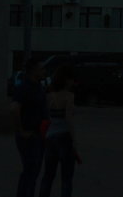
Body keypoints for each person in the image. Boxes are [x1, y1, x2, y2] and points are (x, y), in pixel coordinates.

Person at [39, 65, 79, 197]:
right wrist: (74, 140)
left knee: (48, 175)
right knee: (66, 178)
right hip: (64, 137)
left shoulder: (49, 96)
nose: (74, 83)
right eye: (72, 79)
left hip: (50, 137)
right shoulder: (69, 96)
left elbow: (45, 117)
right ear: (66, 80)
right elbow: (68, 119)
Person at [10, 58, 47, 197]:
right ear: (34, 70)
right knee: (30, 170)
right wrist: (20, 131)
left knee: (33, 171)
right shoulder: (24, 87)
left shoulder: (39, 86)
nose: (44, 71)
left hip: (39, 135)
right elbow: (14, 109)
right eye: (42, 68)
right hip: (30, 136)